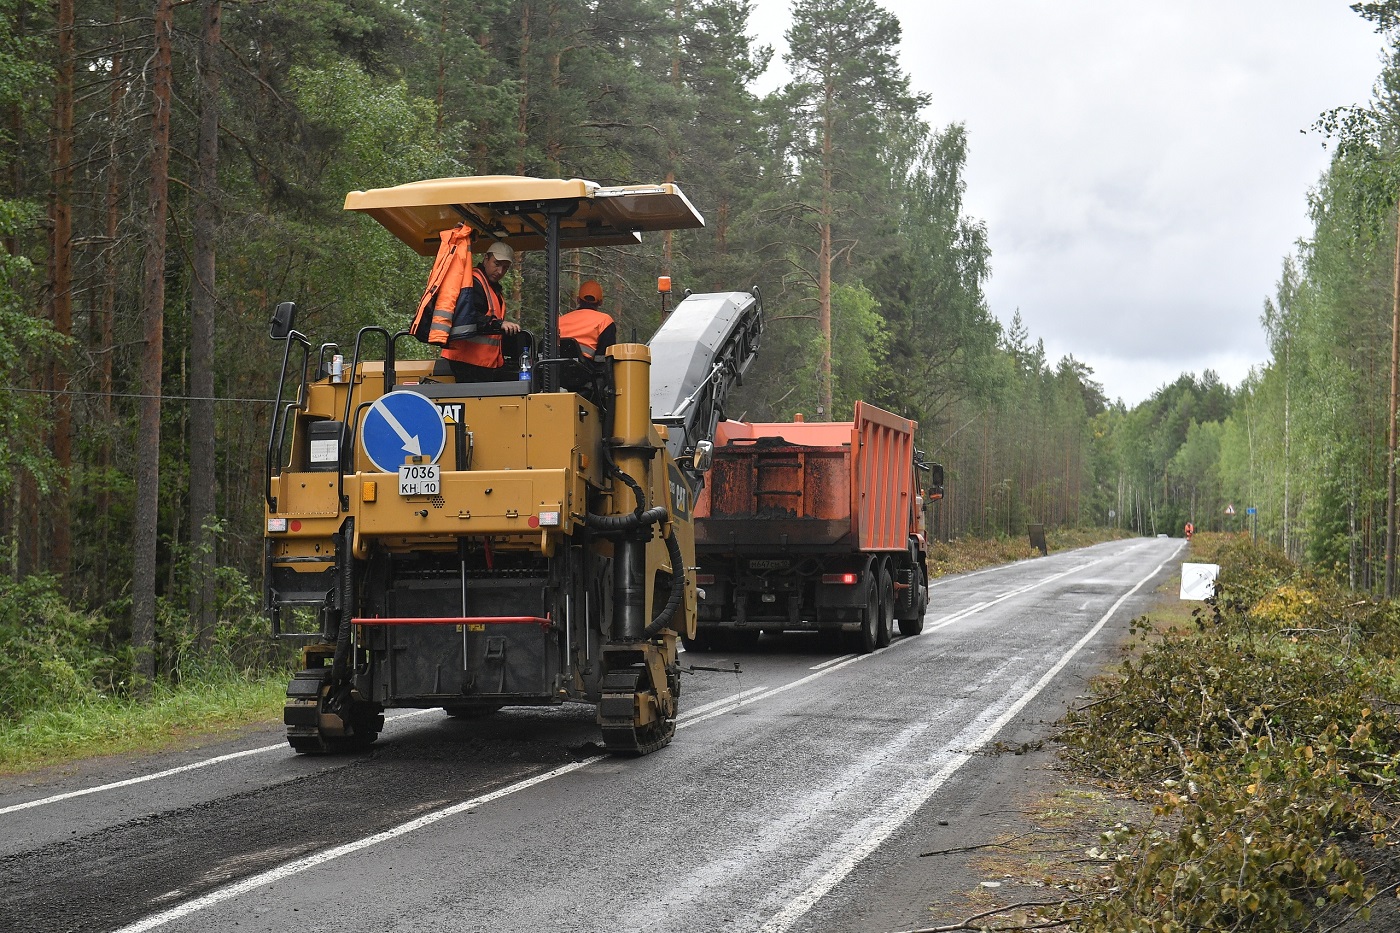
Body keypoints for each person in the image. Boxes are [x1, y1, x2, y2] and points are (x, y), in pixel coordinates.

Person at [439, 240, 522, 382]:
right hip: (467, 361)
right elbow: (467, 316)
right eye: (497, 264)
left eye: (505, 268)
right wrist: (497, 324)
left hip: (482, 362)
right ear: (486, 258)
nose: (500, 271)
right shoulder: (472, 283)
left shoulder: (491, 287)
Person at [557, 279, 617, 361]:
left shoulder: (559, 321)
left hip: (554, 368)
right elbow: (603, 359)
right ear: (601, 302)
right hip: (584, 370)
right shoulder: (605, 321)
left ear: (578, 300)